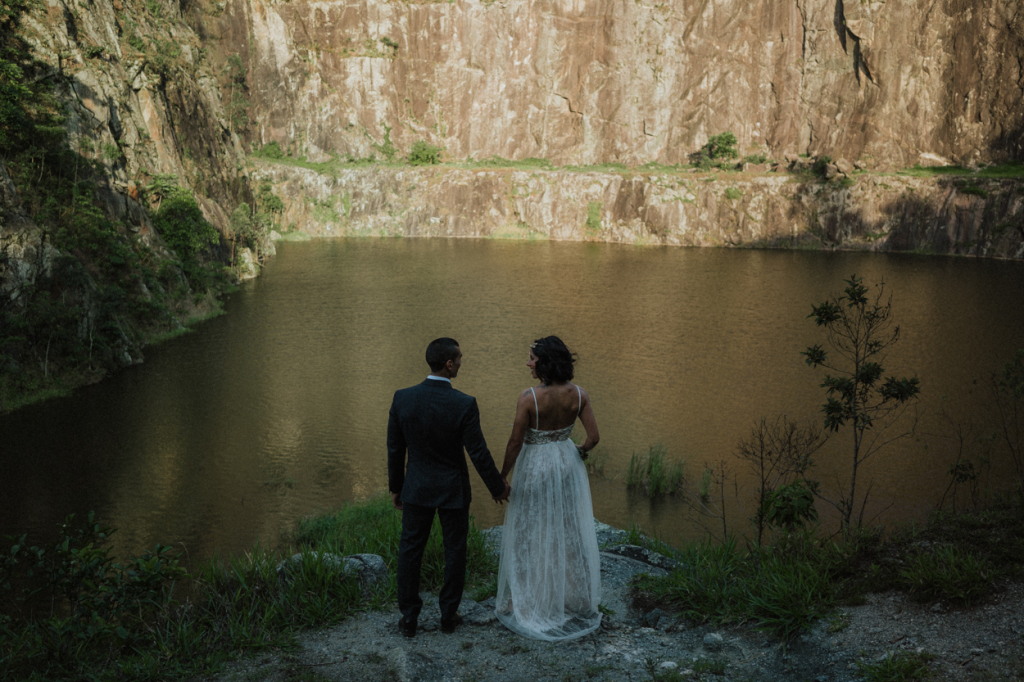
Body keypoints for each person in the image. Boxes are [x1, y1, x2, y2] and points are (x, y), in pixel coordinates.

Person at [387, 337, 510, 639]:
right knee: (455, 550)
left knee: (410, 550)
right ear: (448, 363)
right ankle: (448, 616)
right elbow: (478, 452)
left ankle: (409, 618)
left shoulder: (403, 398)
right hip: (453, 490)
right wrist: (497, 487)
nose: (461, 363)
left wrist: (396, 487)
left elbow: (395, 449)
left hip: (416, 487)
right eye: (460, 358)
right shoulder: (464, 403)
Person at [495, 335, 602, 641]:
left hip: (535, 466)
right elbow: (593, 438)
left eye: (532, 358)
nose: (528, 363)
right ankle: (572, 596)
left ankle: (526, 599)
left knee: (528, 530)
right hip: (566, 464)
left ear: (545, 363)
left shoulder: (529, 397)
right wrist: (578, 451)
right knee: (567, 529)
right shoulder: (579, 394)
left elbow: (515, 442)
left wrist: (502, 477)